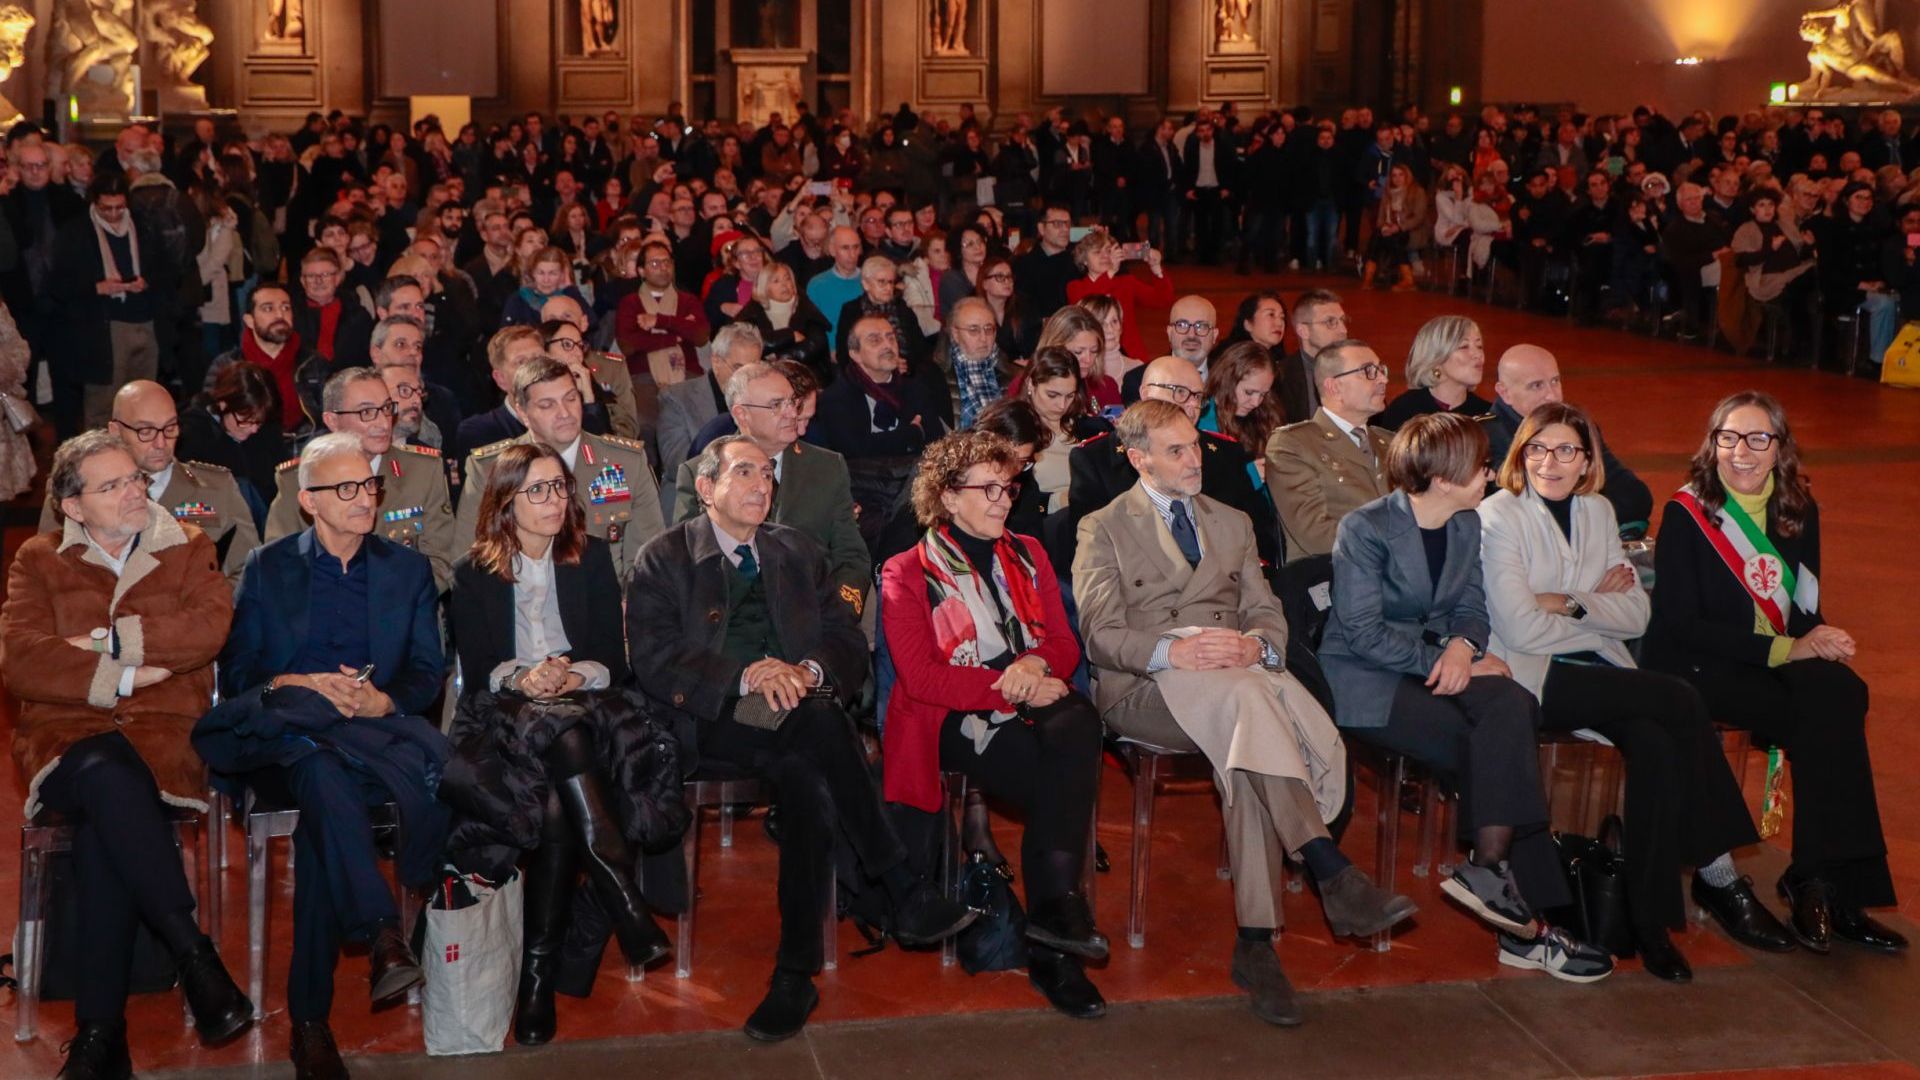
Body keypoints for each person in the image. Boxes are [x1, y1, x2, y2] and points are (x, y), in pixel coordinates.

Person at [1074, 400, 1414, 1027]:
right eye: (1175, 450)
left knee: (1245, 740)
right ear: (1139, 458)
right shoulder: (1104, 527)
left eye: (1195, 445)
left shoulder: (1231, 520)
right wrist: (1175, 650)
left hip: (1237, 684)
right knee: (1249, 706)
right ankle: (1327, 870)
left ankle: (1257, 946)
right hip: (1146, 689)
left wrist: (1256, 646)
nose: (1194, 459)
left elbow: (1265, 610)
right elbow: (1099, 635)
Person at [629, 435, 975, 1042]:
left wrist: (809, 672)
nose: (761, 485)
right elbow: (655, 660)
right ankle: (899, 884)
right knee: (819, 724)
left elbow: (846, 638)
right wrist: (747, 675)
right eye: (744, 472)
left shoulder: (797, 550)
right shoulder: (663, 558)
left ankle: (795, 972)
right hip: (710, 720)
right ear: (706, 488)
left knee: (807, 776)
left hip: (795, 717)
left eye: (767, 474)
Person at [1477, 401, 1792, 980]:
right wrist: (1595, 608)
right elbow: (1519, 628)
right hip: (1534, 676)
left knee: (1654, 741)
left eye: (1566, 450)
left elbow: (1636, 615)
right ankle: (1719, 872)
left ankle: (1650, 924)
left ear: (1586, 461)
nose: (1550, 462)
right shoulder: (1498, 515)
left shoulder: (1598, 511)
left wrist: (1566, 602)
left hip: (1602, 667)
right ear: (1520, 455)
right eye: (1538, 449)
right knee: (1680, 698)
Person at [1317, 412, 1614, 984]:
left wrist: (1462, 645)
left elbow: (1472, 607)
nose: (1491, 475)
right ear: (1443, 477)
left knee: (1514, 707)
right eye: (1481, 466)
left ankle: (1491, 871)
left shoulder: (1466, 523)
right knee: (1496, 751)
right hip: (1366, 677)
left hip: (1438, 662)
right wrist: (1449, 660)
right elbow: (1362, 633)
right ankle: (1529, 929)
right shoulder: (1366, 528)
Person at [1, 431, 254, 1078]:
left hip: (162, 740)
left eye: (134, 478)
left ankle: (100, 1036)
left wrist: (104, 642)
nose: (135, 491)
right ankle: (192, 953)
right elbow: (22, 658)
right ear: (73, 507)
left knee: (104, 822)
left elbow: (208, 628)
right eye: (111, 485)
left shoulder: (186, 545)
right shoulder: (38, 559)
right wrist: (124, 677)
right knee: (103, 776)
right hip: (63, 740)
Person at [198, 433, 451, 1079]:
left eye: (369, 485)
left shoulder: (406, 570)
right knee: (314, 767)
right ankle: (380, 934)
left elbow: (428, 673)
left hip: (367, 743)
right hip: (284, 740)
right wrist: (299, 684)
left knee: (323, 804)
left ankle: (315, 1018)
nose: (365, 498)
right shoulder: (270, 566)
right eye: (346, 488)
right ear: (308, 501)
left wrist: (382, 701)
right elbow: (241, 672)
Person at [1643, 391, 1904, 956]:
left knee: (1841, 691)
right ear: (1712, 445)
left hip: (1770, 658)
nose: (1742, 452)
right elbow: (1681, 624)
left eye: (1758, 438)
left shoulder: (1799, 509)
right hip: (1701, 664)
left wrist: (1821, 637)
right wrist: (1790, 648)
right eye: (1729, 438)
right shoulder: (1688, 513)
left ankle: (1819, 878)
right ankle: (1816, 885)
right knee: (1823, 714)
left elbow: (1803, 604)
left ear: (1780, 448)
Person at [445, 444, 682, 1046]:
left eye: (560, 488)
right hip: (507, 714)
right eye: (538, 490)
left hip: (586, 703)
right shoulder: (473, 572)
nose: (554, 501)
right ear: (506, 502)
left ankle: (538, 977)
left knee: (566, 752)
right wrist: (526, 679)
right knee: (559, 763)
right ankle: (618, 905)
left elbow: (610, 656)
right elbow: (479, 667)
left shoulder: (589, 556)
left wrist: (569, 675)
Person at [880, 430, 1110, 1017]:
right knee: (1063, 776)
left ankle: (1051, 929)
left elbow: (1064, 645)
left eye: (1008, 487)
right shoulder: (906, 571)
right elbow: (921, 680)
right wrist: (1012, 684)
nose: (1003, 499)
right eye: (987, 488)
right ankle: (1055, 940)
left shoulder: (1028, 552)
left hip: (1029, 698)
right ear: (947, 497)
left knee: (1077, 723)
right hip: (949, 718)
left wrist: (1032, 666)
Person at [670, 361, 871, 602]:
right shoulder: (699, 473)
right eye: (776, 405)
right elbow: (688, 560)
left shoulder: (827, 467)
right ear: (741, 414)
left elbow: (851, 556)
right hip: (730, 612)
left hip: (812, 609)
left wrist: (838, 612)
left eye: (792, 402)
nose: (792, 413)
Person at [458, 357, 663, 587]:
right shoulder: (490, 469)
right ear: (522, 412)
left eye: (571, 398)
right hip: (520, 597)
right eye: (547, 405)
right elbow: (469, 560)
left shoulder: (626, 462)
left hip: (608, 598)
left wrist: (627, 603)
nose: (565, 413)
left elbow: (648, 560)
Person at [38, 380, 259, 584]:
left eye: (170, 428)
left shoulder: (218, 489)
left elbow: (248, 570)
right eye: (146, 431)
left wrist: (209, 605)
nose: (161, 443)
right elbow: (47, 571)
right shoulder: (77, 492)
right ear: (115, 432)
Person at [265, 367, 458, 593]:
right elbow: (281, 567)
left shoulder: (423, 472)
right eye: (367, 412)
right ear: (332, 420)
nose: (384, 423)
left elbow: (440, 563)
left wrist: (385, 604)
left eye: (387, 408)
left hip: (404, 608)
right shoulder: (298, 480)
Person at [1484, 343, 1653, 536]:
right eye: (1536, 386)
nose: (1552, 395)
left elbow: (1636, 496)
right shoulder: (1482, 439)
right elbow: (1529, 514)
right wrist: (1594, 514)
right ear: (1504, 392)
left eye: (1555, 381)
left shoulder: (1578, 428)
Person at [51, 172, 174, 431]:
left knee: (143, 400)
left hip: (146, 320)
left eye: (120, 207)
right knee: (103, 404)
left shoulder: (143, 225)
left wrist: (147, 281)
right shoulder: (77, 232)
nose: (114, 214)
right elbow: (59, 283)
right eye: (106, 208)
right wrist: (96, 287)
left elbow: (167, 268)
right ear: (94, 202)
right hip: (103, 326)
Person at [1265, 339, 1391, 562]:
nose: (1383, 379)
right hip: (1336, 571)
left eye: (1381, 370)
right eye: (1369, 371)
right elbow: (1315, 534)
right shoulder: (1294, 444)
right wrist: (1395, 549)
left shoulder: (1391, 442)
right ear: (1334, 387)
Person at [658, 321, 765, 517]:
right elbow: (677, 466)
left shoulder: (761, 402)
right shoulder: (677, 398)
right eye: (738, 368)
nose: (745, 378)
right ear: (716, 362)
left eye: (752, 370)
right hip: (691, 504)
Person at [813, 313, 949, 459]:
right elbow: (854, 451)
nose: (887, 345)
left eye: (891, 338)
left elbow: (937, 442)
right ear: (855, 354)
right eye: (875, 340)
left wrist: (882, 442)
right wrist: (912, 434)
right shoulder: (837, 397)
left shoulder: (915, 388)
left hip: (917, 471)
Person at [179, 359, 285, 527]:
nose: (253, 429)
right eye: (245, 420)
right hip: (214, 526)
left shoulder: (268, 431)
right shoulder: (191, 435)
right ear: (223, 405)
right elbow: (182, 504)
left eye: (258, 422)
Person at [614, 238, 710, 388]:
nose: (663, 268)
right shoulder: (630, 303)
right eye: (655, 263)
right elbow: (628, 344)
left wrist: (659, 321)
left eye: (667, 262)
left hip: (688, 374)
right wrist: (674, 336)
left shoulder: (688, 300)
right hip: (643, 377)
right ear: (641, 271)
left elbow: (701, 336)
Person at [1064, 230, 1171, 362]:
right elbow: (1090, 304)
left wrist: (1156, 268)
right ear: (1084, 260)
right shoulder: (1075, 287)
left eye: (1108, 251)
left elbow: (1162, 299)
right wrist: (1110, 272)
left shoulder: (1126, 282)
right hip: (1093, 357)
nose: (1104, 256)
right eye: (1097, 252)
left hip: (1131, 355)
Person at [1373, 315, 1492, 431]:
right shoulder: (1404, 410)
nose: (1478, 355)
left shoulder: (1487, 415)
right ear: (1436, 358)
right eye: (1464, 346)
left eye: (1479, 346)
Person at [1198, 340, 1284, 491]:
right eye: (1249, 392)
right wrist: (1251, 475)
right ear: (1227, 380)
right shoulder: (1202, 420)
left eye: (1263, 394)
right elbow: (1208, 485)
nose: (1256, 402)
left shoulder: (1265, 413)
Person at [1276, 289, 1347, 424]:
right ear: (1303, 331)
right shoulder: (1281, 377)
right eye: (1330, 322)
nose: (1343, 330)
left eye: (1342, 320)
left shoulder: (1356, 369)